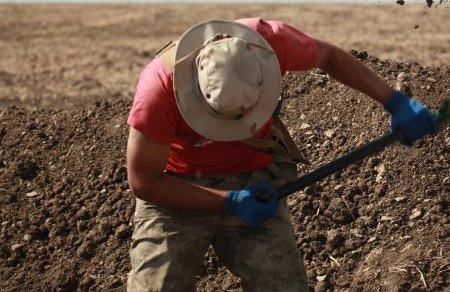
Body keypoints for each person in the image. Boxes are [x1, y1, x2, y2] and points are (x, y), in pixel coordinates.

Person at [126, 18, 436, 292]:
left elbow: (328, 56)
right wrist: (229, 202)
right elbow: (145, 183)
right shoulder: (158, 91)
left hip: (253, 177)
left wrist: (394, 101)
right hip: (177, 189)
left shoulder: (266, 44)